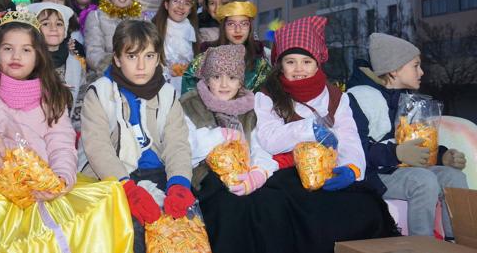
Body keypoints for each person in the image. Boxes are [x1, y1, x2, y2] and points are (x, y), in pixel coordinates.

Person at [0, 10, 133, 252]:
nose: (16, 56)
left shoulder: (50, 94)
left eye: (26, 50)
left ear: (38, 56)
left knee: (106, 197)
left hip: (39, 182)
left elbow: (60, 140)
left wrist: (60, 175)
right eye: (8, 48)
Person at [254, 16, 399, 253]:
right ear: (280, 65)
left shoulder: (335, 97)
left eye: (306, 61)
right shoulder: (268, 95)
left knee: (366, 206)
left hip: (328, 169)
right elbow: (268, 139)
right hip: (286, 172)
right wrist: (307, 129)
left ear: (317, 63)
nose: (299, 69)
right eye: (290, 62)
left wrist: (351, 168)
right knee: (306, 210)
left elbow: (349, 137)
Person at [78, 20, 194, 253]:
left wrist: (180, 184)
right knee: (131, 230)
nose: (142, 66)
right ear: (118, 59)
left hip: (158, 172)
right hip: (113, 177)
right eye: (132, 57)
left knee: (181, 231)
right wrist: (126, 188)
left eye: (149, 56)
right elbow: (98, 148)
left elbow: (177, 144)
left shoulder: (167, 94)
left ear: (158, 58)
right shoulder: (100, 92)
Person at [347, 32, 468, 238]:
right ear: (394, 70)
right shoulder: (359, 98)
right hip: (372, 176)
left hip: (401, 170)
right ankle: (422, 244)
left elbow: (418, 142)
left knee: (454, 176)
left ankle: (458, 241)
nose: (421, 72)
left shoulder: (408, 100)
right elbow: (354, 150)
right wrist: (396, 153)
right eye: (415, 65)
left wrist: (442, 156)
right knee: (423, 180)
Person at [181, 44, 293, 253]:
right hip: (205, 178)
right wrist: (219, 136)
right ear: (206, 79)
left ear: (240, 81)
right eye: (217, 77)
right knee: (230, 207)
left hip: (244, 174)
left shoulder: (250, 109)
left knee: (271, 203)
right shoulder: (190, 105)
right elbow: (184, 147)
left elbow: (261, 146)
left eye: (232, 78)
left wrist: (260, 172)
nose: (224, 84)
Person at [182, 1, 271, 94]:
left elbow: (264, 97)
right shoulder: (207, 55)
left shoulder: (260, 64)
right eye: (231, 24)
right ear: (223, 27)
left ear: (250, 28)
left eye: (244, 24)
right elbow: (189, 84)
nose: (238, 30)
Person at [28, 2, 86, 131]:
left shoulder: (75, 62)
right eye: (46, 23)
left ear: (65, 30)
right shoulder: (28, 63)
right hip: (33, 129)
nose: (53, 28)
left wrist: (76, 132)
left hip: (67, 131)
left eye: (59, 24)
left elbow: (81, 99)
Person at [83, 0, 142, 77]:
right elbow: (93, 54)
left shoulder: (142, 20)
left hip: (138, 76)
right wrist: (119, 68)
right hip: (106, 78)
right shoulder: (96, 17)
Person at [152, 0, 199, 94]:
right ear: (167, 4)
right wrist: (168, 71)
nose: (181, 7)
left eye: (187, 3)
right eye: (176, 1)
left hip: (186, 90)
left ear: (191, 8)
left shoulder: (191, 31)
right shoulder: (152, 30)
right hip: (158, 88)